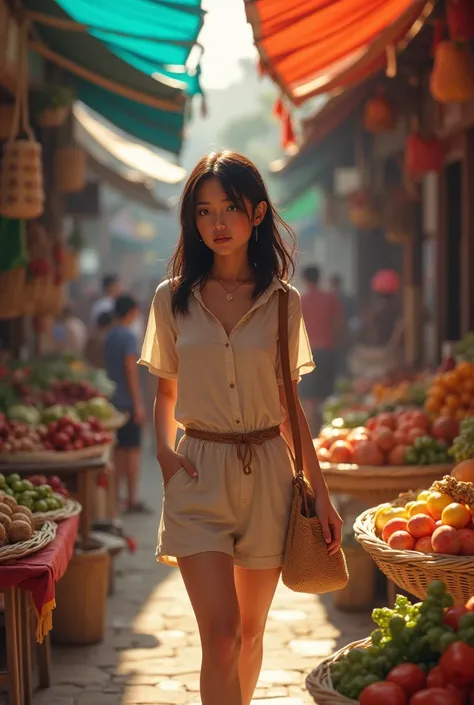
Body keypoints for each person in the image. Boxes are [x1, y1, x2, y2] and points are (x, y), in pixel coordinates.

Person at [138, 151, 342, 705]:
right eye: (204, 212)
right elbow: (165, 390)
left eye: (230, 207)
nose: (217, 223)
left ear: (256, 213)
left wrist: (321, 496)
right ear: (192, 221)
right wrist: (162, 452)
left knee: (251, 635)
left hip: (270, 476)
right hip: (199, 471)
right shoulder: (171, 298)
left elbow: (291, 407)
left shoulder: (284, 303)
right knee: (220, 634)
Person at [104, 294, 148, 513]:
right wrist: (138, 404)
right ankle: (131, 499)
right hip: (127, 402)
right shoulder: (129, 337)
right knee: (132, 452)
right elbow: (130, 370)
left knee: (118, 451)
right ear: (131, 312)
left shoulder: (110, 335)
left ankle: (117, 497)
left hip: (113, 401)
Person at [299, 266, 345, 434]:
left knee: (309, 397)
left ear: (304, 279)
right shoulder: (330, 299)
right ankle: (325, 432)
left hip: (306, 353)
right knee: (325, 395)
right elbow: (340, 324)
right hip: (327, 350)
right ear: (319, 278)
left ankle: (312, 437)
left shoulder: (300, 300)